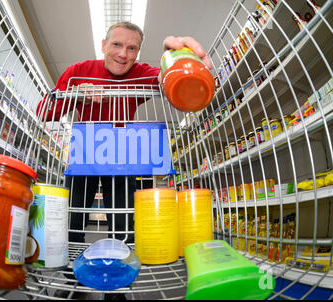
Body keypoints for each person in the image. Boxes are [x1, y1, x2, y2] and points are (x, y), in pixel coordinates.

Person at [37, 21, 212, 246]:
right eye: (116, 44)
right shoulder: (78, 72)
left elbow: (168, 79)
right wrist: (74, 94)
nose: (123, 54)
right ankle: (72, 270)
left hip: (122, 153)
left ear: (138, 52)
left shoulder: (141, 73)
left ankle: (121, 263)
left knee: (123, 223)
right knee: (72, 219)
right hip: (84, 152)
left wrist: (180, 56)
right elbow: (43, 111)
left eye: (132, 48)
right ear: (103, 45)